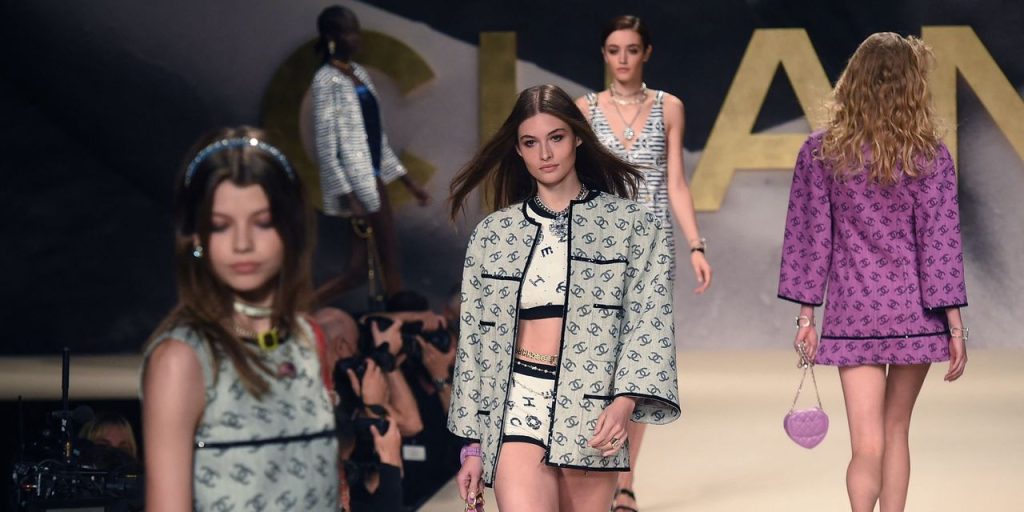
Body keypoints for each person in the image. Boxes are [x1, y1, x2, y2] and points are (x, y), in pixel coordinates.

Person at [447, 84, 680, 512]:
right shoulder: (493, 235)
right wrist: (473, 445)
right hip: (517, 400)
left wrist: (624, 401)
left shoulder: (631, 225)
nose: (545, 153)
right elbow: (474, 343)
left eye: (555, 137)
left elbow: (649, 321)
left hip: (590, 403)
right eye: (530, 142)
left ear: (577, 138)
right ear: (517, 150)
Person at [778, 33, 968, 512]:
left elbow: (810, 240)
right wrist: (955, 327)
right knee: (896, 429)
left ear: (853, 81)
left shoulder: (822, 152)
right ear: (912, 86)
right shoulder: (929, 156)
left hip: (854, 313)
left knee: (866, 441)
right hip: (914, 313)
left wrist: (806, 318)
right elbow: (940, 246)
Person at [141, 127, 338, 511]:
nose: (242, 243)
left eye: (263, 222)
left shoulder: (306, 338)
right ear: (195, 236)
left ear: (291, 227)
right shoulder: (182, 360)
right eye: (220, 225)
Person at [575, 15, 712, 511]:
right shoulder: (584, 110)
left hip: (653, 251)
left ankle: (625, 483)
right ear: (604, 54)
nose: (623, 59)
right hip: (597, 252)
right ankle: (598, 475)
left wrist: (696, 244)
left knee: (638, 368)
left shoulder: (668, 107)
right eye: (614, 50)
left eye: (631, 49)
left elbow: (676, 182)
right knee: (599, 366)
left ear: (646, 53)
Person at [310, 4, 430, 304]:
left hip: (372, 176)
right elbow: (327, 145)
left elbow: (376, 137)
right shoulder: (326, 80)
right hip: (357, 181)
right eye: (349, 32)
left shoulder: (358, 73)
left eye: (356, 31)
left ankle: (299, 309)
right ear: (332, 37)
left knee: (363, 268)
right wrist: (349, 196)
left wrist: (408, 183)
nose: (356, 39)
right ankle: (400, 315)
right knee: (386, 260)